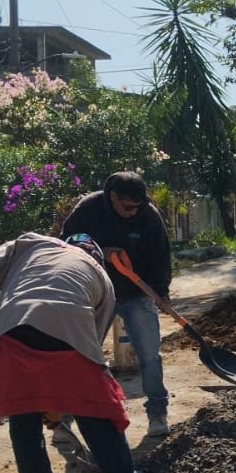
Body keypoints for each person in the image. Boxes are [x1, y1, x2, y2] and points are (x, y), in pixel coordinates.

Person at [0, 232, 169, 473]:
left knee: (23, 415)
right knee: (96, 409)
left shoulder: (30, 245)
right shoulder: (101, 279)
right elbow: (89, 348)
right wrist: (63, 404)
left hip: (10, 331)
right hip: (68, 330)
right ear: (93, 256)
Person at [60, 171, 174, 437]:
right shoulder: (88, 209)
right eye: (128, 207)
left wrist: (161, 292)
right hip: (97, 297)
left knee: (149, 356)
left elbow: (161, 256)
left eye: (138, 206)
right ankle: (64, 418)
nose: (134, 212)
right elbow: (67, 242)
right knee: (83, 356)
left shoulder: (148, 215)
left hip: (136, 295)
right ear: (112, 197)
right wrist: (102, 251)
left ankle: (158, 413)